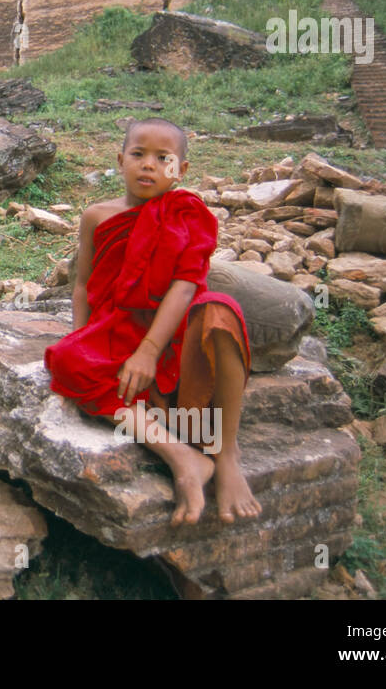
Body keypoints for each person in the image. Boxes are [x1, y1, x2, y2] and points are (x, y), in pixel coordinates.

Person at [44, 117, 262, 526]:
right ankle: (182, 457)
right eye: (138, 154)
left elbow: (184, 287)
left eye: (164, 158)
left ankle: (226, 455)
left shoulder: (188, 214)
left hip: (175, 337)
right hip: (118, 333)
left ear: (181, 170)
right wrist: (82, 338)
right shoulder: (96, 215)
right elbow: (82, 286)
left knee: (220, 310)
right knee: (67, 360)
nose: (149, 165)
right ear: (119, 160)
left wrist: (149, 351)